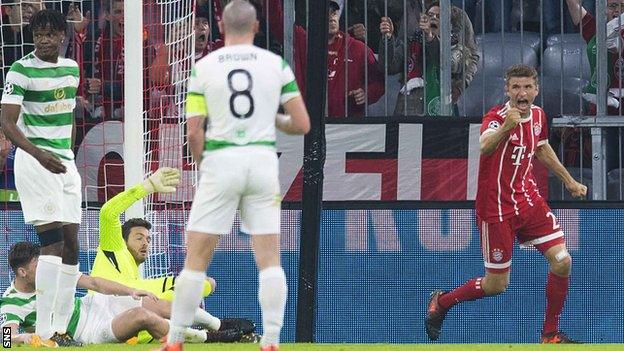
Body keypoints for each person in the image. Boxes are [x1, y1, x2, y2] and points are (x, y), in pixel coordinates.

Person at [159, 1, 310, 350]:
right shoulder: (277, 65)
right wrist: (274, 120)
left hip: (221, 160)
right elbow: (301, 124)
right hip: (260, 160)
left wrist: (202, 165)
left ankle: (175, 340)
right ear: (257, 27)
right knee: (269, 257)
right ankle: (271, 340)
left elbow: (194, 131)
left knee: (196, 257)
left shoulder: (204, 67)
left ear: (221, 27)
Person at [425, 65, 587, 344]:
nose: (521, 93)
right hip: (496, 207)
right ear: (507, 90)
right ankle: (443, 302)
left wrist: (569, 181)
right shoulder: (497, 117)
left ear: (536, 89)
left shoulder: (538, 115)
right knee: (496, 285)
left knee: (562, 261)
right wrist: (507, 128)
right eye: (516, 87)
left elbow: (542, 147)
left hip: (527, 199)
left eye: (527, 87)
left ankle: (549, 334)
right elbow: (485, 145)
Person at [90, 166, 257, 343]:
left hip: (127, 326)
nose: (145, 243)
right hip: (100, 319)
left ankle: (215, 334)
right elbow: (108, 213)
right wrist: (147, 187)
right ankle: (218, 327)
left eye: (148, 239)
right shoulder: (114, 250)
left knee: (163, 307)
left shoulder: (132, 273)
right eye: (139, 238)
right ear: (122, 240)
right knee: (184, 291)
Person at [0, 9, 83, 346]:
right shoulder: (20, 70)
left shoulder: (71, 69)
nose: (45, 40)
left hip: (64, 162)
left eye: (50, 34)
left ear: (62, 36)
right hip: (35, 163)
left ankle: (62, 328)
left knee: (73, 244)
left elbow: (70, 116)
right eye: (39, 34)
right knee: (52, 243)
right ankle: (46, 331)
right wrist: (39, 155)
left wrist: (69, 154)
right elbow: (6, 122)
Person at [0, 242, 234, 347]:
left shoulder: (52, 272)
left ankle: (219, 325)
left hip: (93, 305)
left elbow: (94, 282)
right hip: (87, 332)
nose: (45, 269)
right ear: (22, 272)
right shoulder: (11, 302)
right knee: (141, 316)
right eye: (37, 265)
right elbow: (5, 339)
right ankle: (207, 338)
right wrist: (24, 338)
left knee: (158, 304)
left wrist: (130, 291)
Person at [263, 0, 385, 118]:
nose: (331, 17)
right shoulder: (303, 41)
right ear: (314, 18)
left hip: (347, 127)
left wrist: (366, 94)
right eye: (326, 13)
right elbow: (275, 18)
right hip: (308, 123)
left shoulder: (358, 48)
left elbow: (379, 82)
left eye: (334, 13)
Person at [379, 0, 478, 116]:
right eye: (430, 16)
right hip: (410, 104)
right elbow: (389, 66)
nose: (433, 19)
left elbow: (463, 60)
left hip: (444, 99)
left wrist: (460, 87)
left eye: (438, 16)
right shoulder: (411, 34)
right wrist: (388, 39)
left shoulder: (459, 23)